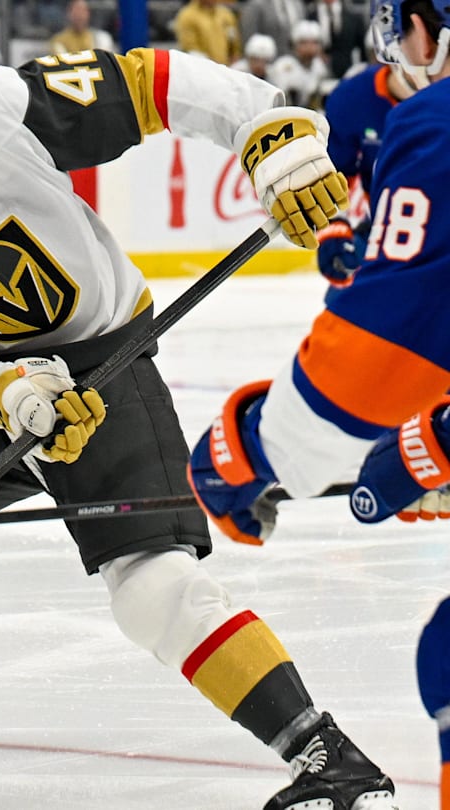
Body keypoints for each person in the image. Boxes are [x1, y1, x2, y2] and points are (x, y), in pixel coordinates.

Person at [0, 37, 395, 810]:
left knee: (151, 590)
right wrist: (4, 395)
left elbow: (149, 83)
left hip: (105, 368)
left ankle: (330, 759)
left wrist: (264, 128)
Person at [186, 0, 448, 800]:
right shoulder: (366, 105)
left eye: (402, 24)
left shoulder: (437, 122)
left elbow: (381, 354)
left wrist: (259, 447)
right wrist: (434, 439)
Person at [314, 55, 416, 286]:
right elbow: (335, 169)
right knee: (343, 306)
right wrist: (333, 223)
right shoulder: (355, 98)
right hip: (387, 226)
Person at [267, 19, 331, 108]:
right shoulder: (283, 66)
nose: (310, 47)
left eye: (314, 43)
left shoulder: (319, 66)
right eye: (304, 43)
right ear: (295, 45)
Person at [174, 0, 240, 64]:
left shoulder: (226, 14)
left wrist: (235, 54)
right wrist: (209, 64)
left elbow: (233, 38)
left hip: (226, 65)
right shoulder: (186, 15)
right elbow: (190, 47)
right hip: (201, 66)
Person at [47, 0, 114, 54]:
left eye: (82, 10)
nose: (79, 15)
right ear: (69, 13)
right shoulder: (58, 40)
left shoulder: (101, 38)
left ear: (88, 14)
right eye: (76, 10)